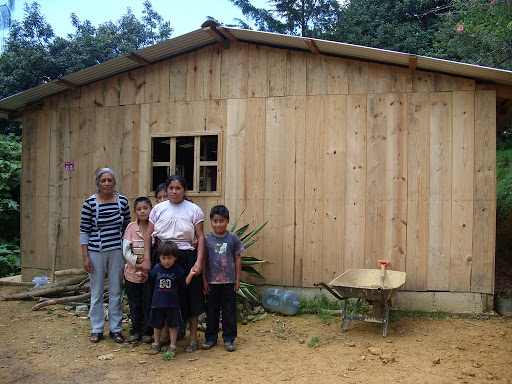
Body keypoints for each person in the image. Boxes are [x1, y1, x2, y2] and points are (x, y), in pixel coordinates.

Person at [144, 174, 206, 353]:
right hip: (162, 255)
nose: (174, 192)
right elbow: (149, 235)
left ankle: (193, 336)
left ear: (185, 190)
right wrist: (148, 258)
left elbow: (200, 236)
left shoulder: (193, 210)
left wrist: (199, 261)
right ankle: (164, 334)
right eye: (171, 188)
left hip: (186, 256)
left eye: (178, 188)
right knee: (163, 294)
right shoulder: (158, 209)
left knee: (192, 295)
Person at [80, 168, 131, 344]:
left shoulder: (122, 202)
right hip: (96, 252)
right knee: (96, 292)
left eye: (110, 180)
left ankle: (116, 329)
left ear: (114, 182)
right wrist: (85, 256)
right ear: (98, 183)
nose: (107, 184)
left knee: (116, 290)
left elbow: (127, 228)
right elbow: (84, 231)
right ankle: (97, 328)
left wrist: (127, 253)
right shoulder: (90, 203)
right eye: (103, 181)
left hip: (117, 251)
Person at [142, 241, 199, 354]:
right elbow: (149, 279)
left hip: (173, 305)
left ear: (175, 258)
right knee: (157, 325)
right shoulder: (157, 268)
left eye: (170, 258)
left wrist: (191, 274)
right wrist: (143, 275)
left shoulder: (177, 270)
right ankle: (156, 343)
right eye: (163, 258)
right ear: (159, 257)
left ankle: (173, 345)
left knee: (173, 326)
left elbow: (184, 283)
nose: (166, 261)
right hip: (157, 303)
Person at [201, 205, 245, 352]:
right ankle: (211, 338)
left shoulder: (233, 238)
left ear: (227, 221)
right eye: (215, 221)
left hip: (229, 282)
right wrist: (204, 280)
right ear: (211, 222)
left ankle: (229, 339)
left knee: (229, 311)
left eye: (221, 221)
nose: (218, 224)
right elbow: (203, 260)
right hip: (212, 283)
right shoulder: (206, 239)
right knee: (212, 310)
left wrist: (238, 279)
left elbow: (237, 258)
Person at [122, 197, 154, 343]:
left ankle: (147, 331)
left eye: (145, 208)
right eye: (139, 209)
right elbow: (126, 251)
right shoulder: (130, 228)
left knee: (148, 302)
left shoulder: (155, 227)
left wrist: (149, 265)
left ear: (151, 210)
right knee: (135, 304)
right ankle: (135, 330)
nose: (142, 211)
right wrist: (138, 264)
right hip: (132, 274)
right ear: (135, 212)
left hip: (149, 274)